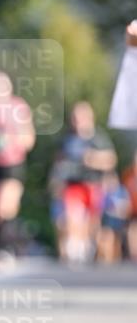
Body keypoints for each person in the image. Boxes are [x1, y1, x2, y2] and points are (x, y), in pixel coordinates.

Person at [0, 71, 35, 264]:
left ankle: (7, 247)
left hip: (11, 163)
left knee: (5, 204)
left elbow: (29, 139)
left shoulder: (18, 108)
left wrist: (11, 141)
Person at [49, 101, 117, 263]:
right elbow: (58, 162)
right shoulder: (67, 139)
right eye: (75, 118)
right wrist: (55, 181)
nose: (77, 121)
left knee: (93, 222)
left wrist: (91, 158)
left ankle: (90, 247)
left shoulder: (98, 138)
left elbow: (111, 160)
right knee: (71, 216)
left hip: (93, 185)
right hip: (73, 186)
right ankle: (75, 248)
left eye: (80, 118)